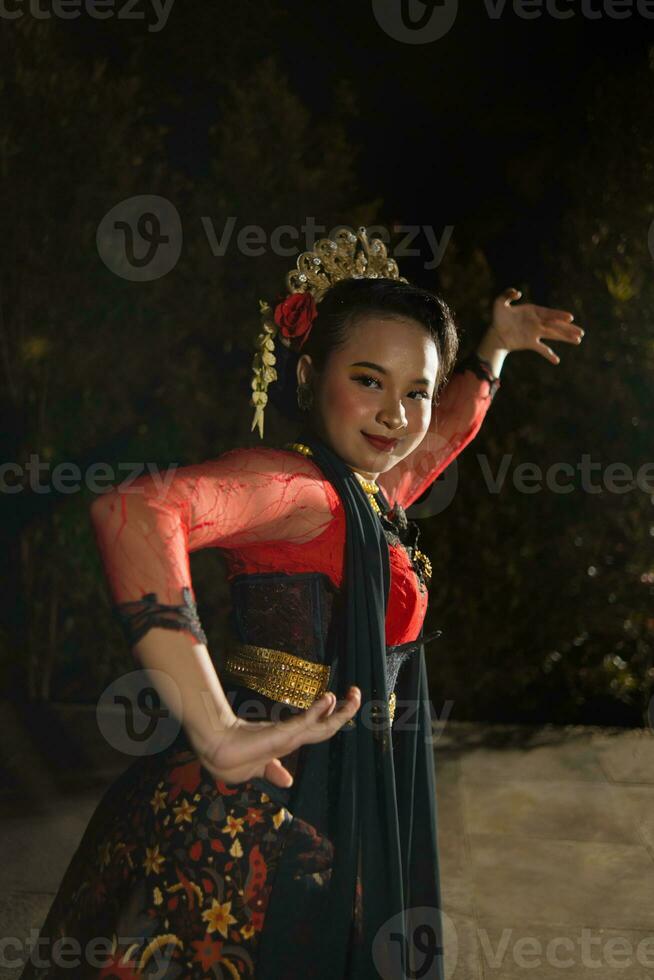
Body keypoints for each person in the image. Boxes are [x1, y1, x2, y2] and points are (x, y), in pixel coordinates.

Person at [19, 228, 583, 980]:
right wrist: (214, 727)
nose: (398, 413)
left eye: (415, 388)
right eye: (369, 380)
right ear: (311, 372)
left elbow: (434, 440)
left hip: (328, 781)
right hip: (263, 803)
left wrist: (490, 353)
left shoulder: (361, 491)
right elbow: (135, 512)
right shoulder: (301, 492)